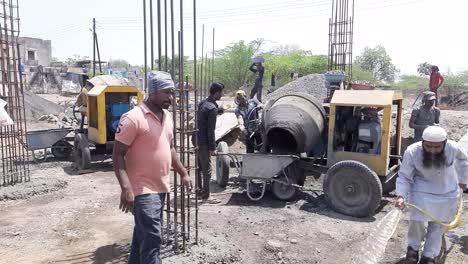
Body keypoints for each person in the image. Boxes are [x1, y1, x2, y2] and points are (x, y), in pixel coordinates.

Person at [112, 71, 192, 264]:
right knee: (152, 239)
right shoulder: (133, 118)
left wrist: (183, 172)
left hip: (161, 187)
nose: (171, 98)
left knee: (142, 235)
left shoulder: (168, 117)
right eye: (167, 93)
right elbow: (117, 155)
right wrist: (126, 188)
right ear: (153, 92)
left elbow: (170, 147)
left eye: (173, 93)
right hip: (143, 190)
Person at [395, 126, 468, 264]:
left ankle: (429, 256)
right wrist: (401, 196)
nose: (432, 151)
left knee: (438, 227)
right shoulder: (412, 151)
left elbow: (464, 160)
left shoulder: (453, 148)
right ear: (422, 142)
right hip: (421, 191)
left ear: (444, 143)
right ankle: (412, 252)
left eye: (437, 147)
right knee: (416, 222)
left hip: (447, 192)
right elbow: (404, 177)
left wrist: (463, 181)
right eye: (428, 146)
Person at [197, 82, 224, 202]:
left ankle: (199, 191)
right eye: (221, 93)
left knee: (199, 166)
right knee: (207, 169)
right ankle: (206, 196)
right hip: (204, 141)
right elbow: (210, 131)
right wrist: (212, 148)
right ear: (217, 93)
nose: (222, 95)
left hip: (196, 138)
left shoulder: (203, 103)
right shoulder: (212, 109)